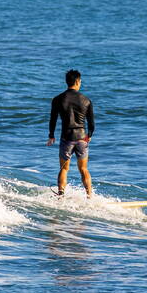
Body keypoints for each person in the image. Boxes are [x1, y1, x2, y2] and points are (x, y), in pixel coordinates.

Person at [47, 69, 94, 198]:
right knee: (83, 169)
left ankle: (61, 195)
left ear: (67, 82)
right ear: (77, 81)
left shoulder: (57, 99)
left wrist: (51, 135)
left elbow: (53, 119)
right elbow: (91, 123)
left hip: (66, 138)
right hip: (82, 138)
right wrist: (89, 135)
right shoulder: (86, 100)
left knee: (64, 169)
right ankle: (89, 196)